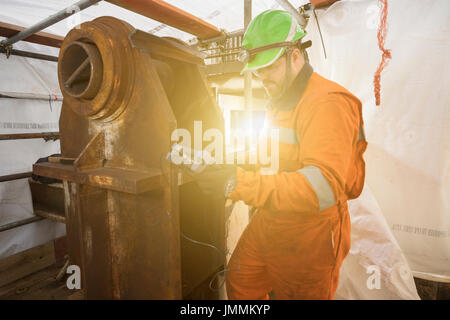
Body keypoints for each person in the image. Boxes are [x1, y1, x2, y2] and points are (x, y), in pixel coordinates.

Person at [192, 9, 367, 300]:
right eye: (257, 70)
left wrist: (240, 184)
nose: (261, 77)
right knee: (240, 281)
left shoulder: (327, 104)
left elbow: (321, 187)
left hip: (311, 234)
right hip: (271, 217)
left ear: (295, 55)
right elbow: (272, 154)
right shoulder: (280, 99)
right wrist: (232, 165)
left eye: (268, 67)